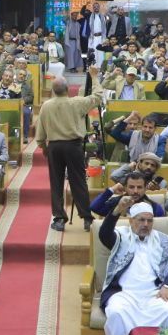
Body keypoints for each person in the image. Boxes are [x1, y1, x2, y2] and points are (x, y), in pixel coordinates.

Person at [98, 199, 168, 335]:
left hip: (154, 294)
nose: (146, 224)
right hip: (124, 294)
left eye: (149, 221)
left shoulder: (163, 240)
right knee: (116, 313)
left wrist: (166, 286)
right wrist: (117, 210)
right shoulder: (120, 236)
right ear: (131, 221)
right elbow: (104, 234)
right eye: (141, 220)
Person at [35, 66, 101, 232]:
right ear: (67, 89)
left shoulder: (46, 106)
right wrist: (94, 77)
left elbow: (40, 134)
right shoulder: (76, 102)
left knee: (56, 183)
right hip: (73, 146)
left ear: (53, 90)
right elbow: (98, 96)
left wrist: (43, 147)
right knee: (78, 181)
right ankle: (86, 217)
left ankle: (59, 219)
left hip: (54, 147)